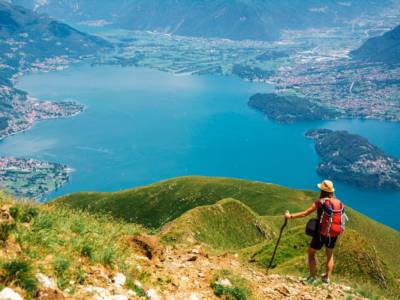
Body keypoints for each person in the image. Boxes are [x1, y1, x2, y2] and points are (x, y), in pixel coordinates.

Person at [284, 180, 345, 284]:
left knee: (311, 253)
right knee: (329, 254)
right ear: (331, 192)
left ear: (322, 190)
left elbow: (305, 213)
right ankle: (327, 279)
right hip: (334, 233)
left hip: (320, 233)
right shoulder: (339, 203)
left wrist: (290, 216)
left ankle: (312, 278)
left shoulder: (319, 202)